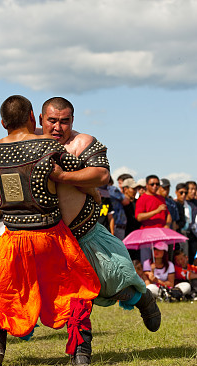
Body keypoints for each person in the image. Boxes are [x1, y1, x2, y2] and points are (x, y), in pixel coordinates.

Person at [0, 95, 101, 366]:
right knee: (76, 289)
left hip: (12, 236)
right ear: (31, 118)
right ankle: (80, 351)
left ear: (2, 123)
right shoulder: (48, 146)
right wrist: (94, 193)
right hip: (51, 236)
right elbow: (81, 172)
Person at [39, 97, 161, 332]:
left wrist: (63, 176)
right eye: (52, 120)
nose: (57, 127)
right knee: (20, 285)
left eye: (64, 121)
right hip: (44, 236)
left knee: (110, 283)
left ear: (72, 120)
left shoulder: (83, 141)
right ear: (41, 118)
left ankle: (142, 299)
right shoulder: (29, 140)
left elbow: (101, 175)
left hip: (83, 232)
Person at [135, 175, 171, 263]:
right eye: (152, 184)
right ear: (147, 185)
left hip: (161, 234)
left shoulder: (161, 198)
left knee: (162, 262)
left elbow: (168, 214)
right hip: (148, 236)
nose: (155, 186)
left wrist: (167, 225)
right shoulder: (142, 199)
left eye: (157, 184)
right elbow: (139, 217)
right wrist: (156, 211)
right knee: (147, 262)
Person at [122, 178, 141, 259]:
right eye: (133, 189)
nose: (135, 191)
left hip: (137, 237)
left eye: (136, 189)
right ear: (125, 189)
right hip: (124, 236)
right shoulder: (118, 203)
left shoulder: (138, 202)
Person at [185, 181, 197, 264]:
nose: (194, 191)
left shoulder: (195, 202)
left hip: (194, 234)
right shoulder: (182, 203)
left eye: (195, 189)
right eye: (191, 189)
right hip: (185, 233)